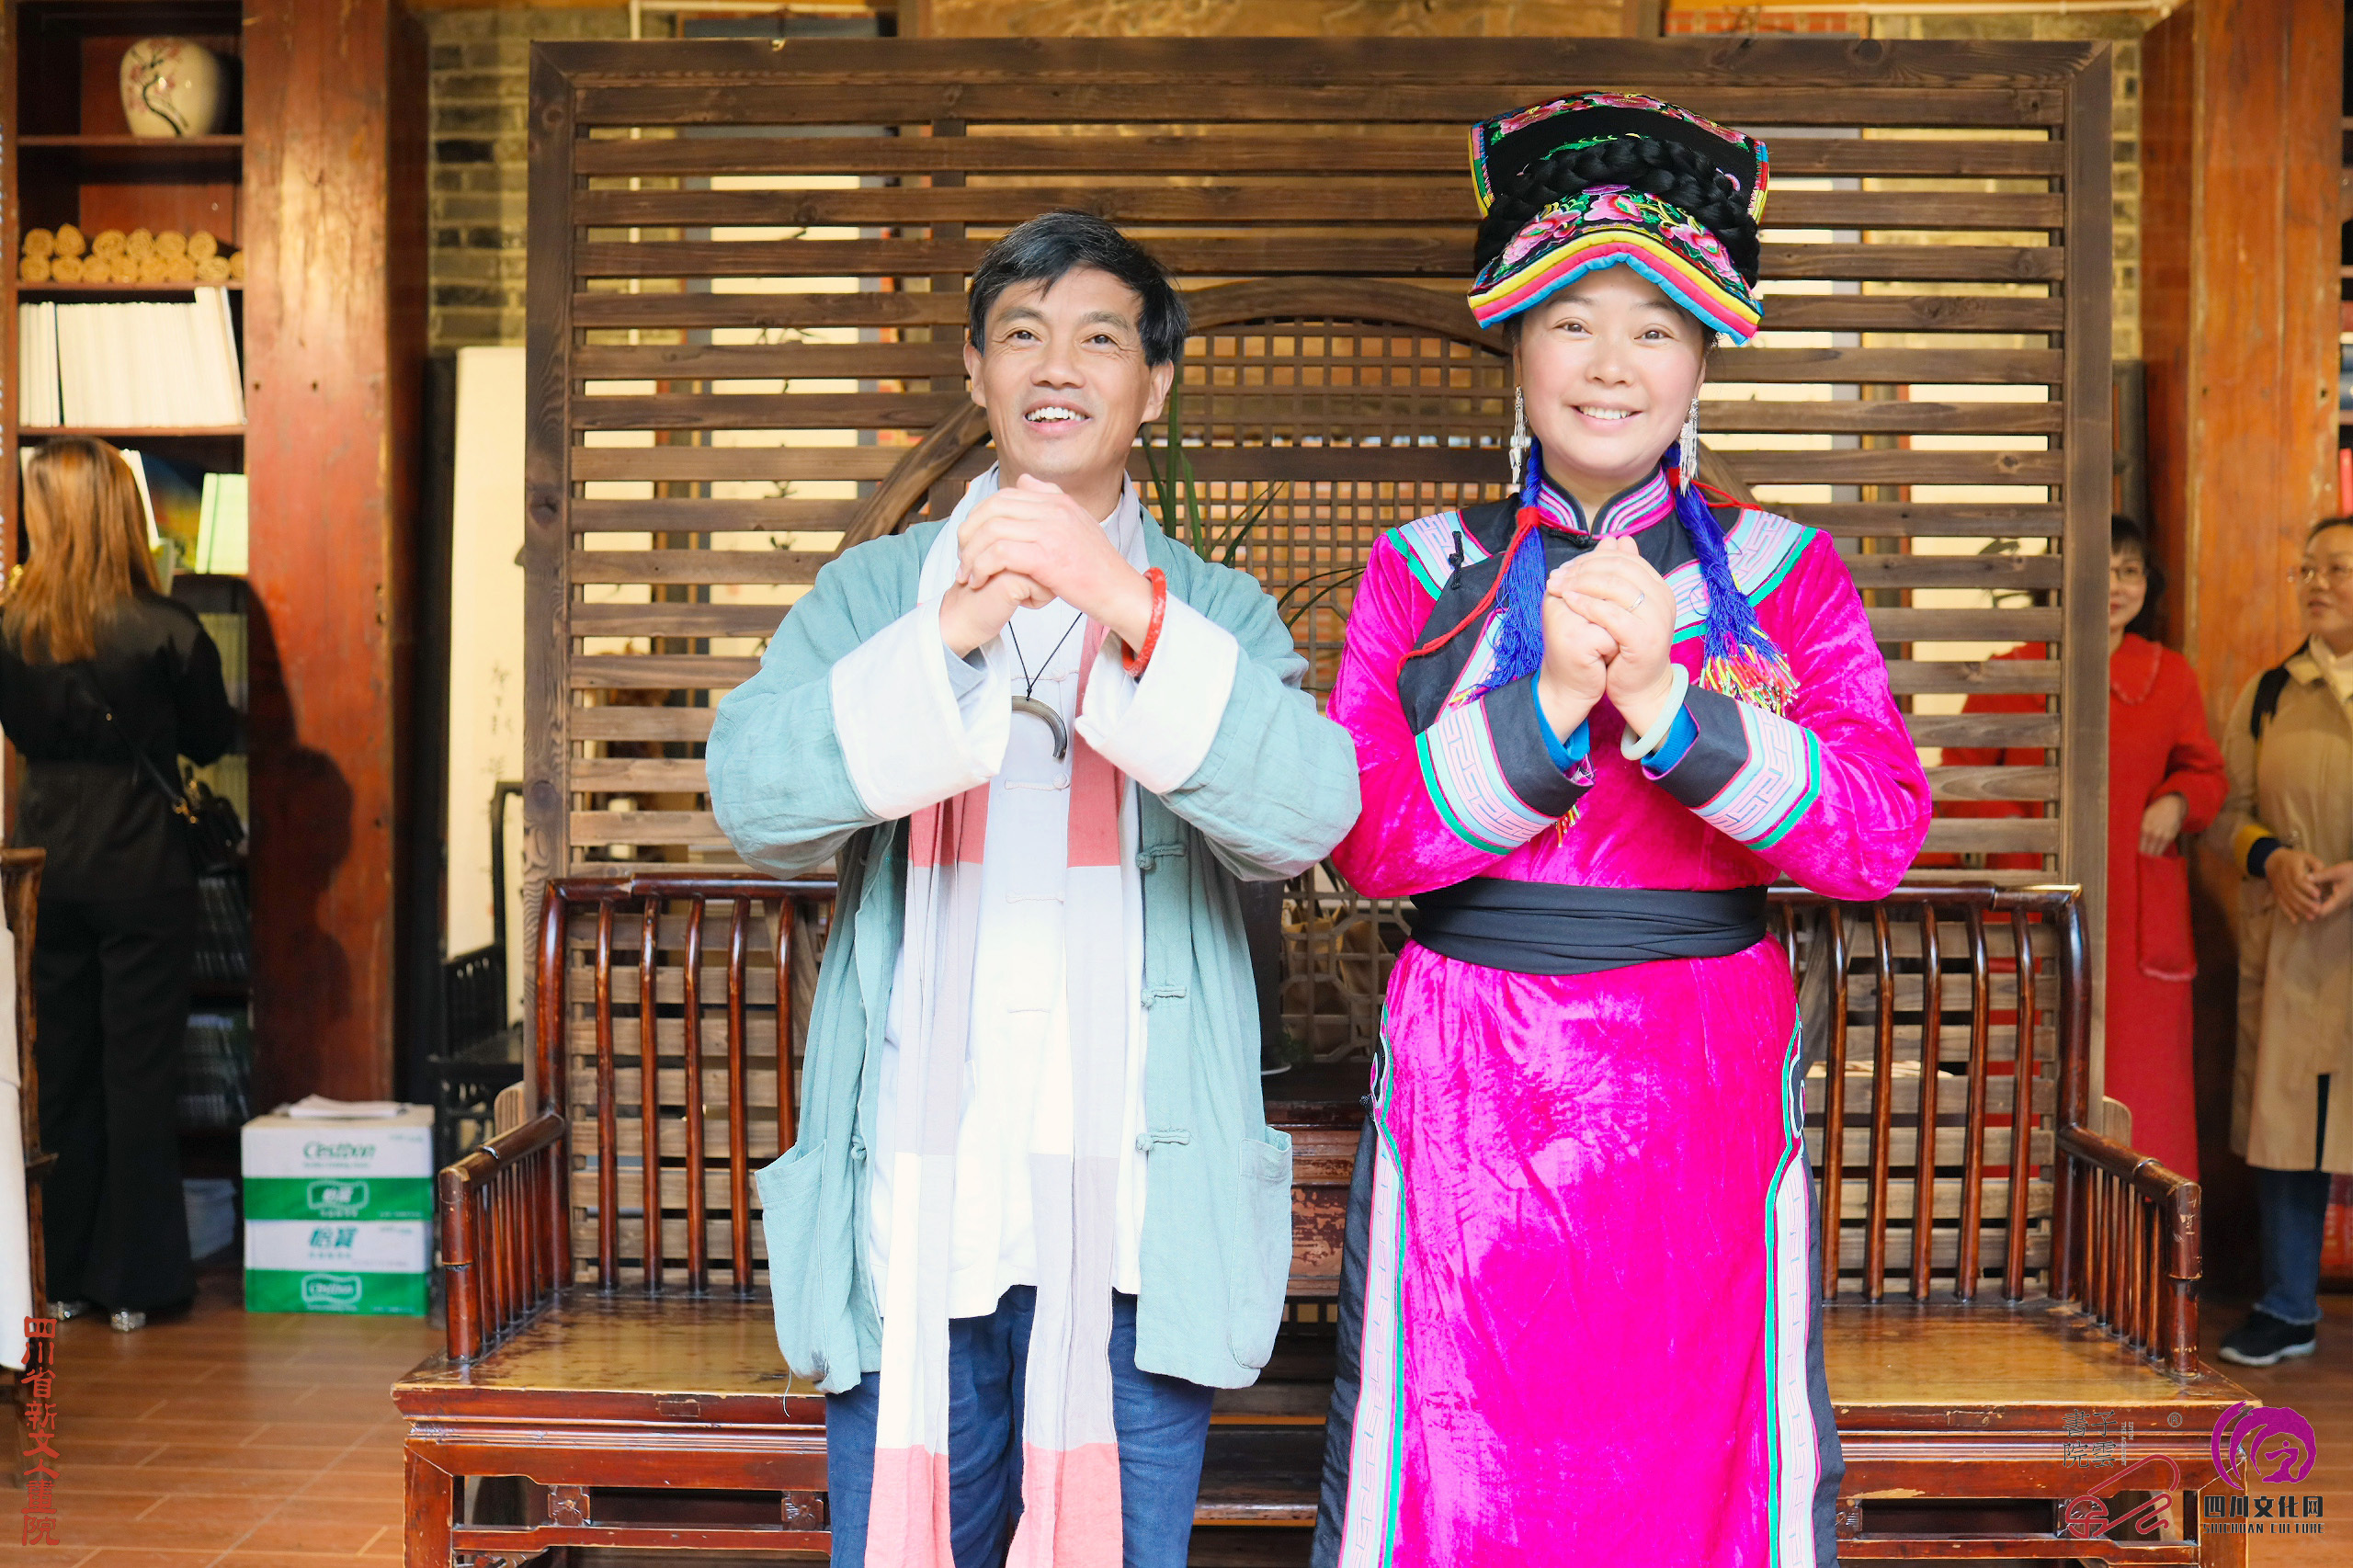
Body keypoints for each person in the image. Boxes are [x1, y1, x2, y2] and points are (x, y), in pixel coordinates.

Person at [1311, 94, 1929, 1565]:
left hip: (1700, 1066)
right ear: (1515, 346)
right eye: (1571, 322)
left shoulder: (1787, 574)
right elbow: (1366, 841)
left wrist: (1664, 703)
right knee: (1454, 1459)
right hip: (1471, 1066)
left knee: (1700, 1456)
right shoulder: (1423, 572)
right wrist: (1544, 708)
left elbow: (1874, 836)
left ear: (1701, 358)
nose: (1609, 364)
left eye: (1654, 328)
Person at [706, 210, 1359, 1568]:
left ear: (1153, 385)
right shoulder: (876, 593)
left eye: (1099, 338)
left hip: (1132, 1231)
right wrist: (951, 630)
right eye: (1022, 334)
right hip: (915, 1222)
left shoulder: (1213, 608)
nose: (1057, 366)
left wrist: (1123, 604)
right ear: (977, 370)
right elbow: (755, 800)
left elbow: (1307, 817)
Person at [0, 437, 235, 1333]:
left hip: (42, 869)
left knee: (58, 1071)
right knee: (138, 1075)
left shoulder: (10, 630)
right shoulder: (167, 628)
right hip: (142, 868)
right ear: (122, 515)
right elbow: (210, 739)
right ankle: (134, 1283)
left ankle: (58, 1276)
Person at [1939, 517, 2227, 1179]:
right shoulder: (2012, 671)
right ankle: (2018, 1230)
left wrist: (2177, 801)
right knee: (2023, 1074)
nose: (2118, 585)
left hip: (2136, 921)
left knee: (2142, 1088)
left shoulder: (2170, 675)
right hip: (2031, 907)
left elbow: (2207, 775)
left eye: (2131, 571)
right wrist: (2020, 835)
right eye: (2103, 568)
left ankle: (2140, 1242)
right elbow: (1958, 780)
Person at [2209, 517, 2353, 1368]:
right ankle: (2288, 1304)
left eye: (2338, 568)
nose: (2318, 583)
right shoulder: (2270, 692)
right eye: (2308, 569)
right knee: (2289, 1124)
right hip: (2297, 935)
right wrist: (2273, 857)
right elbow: (2227, 812)